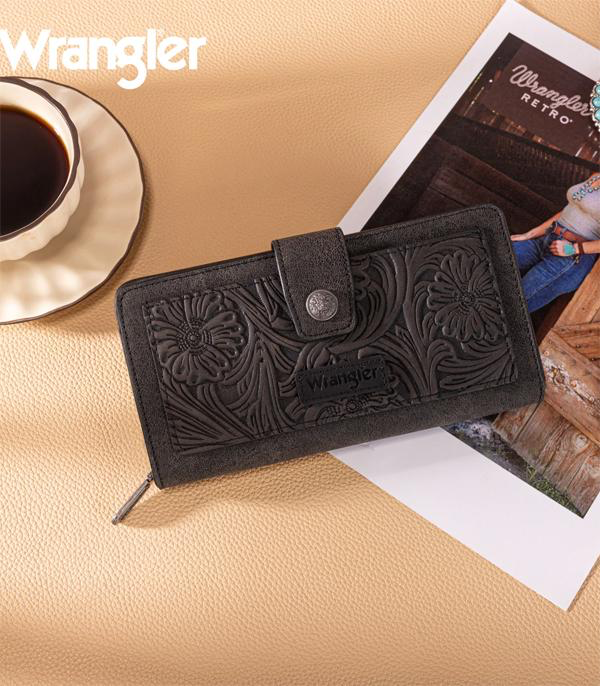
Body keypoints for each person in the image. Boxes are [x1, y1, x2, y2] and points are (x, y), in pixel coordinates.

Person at [511, 173, 600, 312]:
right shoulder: (596, 176)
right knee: (488, 259)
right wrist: (529, 234)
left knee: (512, 305)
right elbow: (568, 210)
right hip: (546, 240)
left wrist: (573, 249)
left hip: (570, 257)